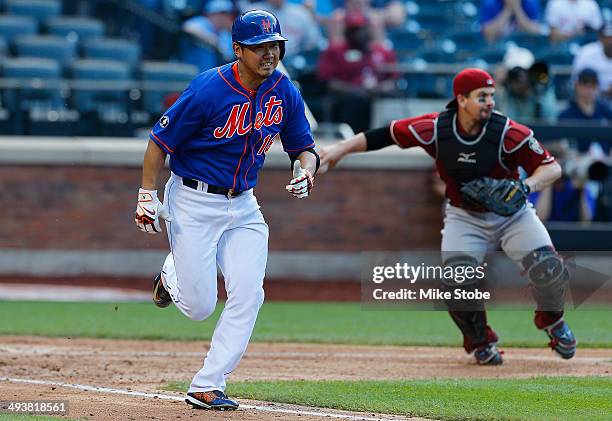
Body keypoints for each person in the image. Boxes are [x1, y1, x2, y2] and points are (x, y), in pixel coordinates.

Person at [319, 68, 577, 365]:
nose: (490, 102)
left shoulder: (506, 132)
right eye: (482, 97)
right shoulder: (437, 128)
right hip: (464, 217)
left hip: (512, 216)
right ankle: (481, 343)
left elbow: (552, 167)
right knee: (457, 284)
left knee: (550, 270)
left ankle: (552, 321)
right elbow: (386, 134)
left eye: (492, 96)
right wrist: (340, 149)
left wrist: (525, 186)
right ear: (461, 99)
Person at [134, 10, 319, 410]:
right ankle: (171, 274)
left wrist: (306, 170)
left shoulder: (284, 91)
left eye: (275, 45)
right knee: (200, 308)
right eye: (259, 47)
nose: (269, 54)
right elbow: (158, 143)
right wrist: (146, 194)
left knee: (249, 293)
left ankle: (208, 383)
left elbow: (304, 147)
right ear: (238, 49)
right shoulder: (208, 89)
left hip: (244, 206)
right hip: (193, 200)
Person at [317, 12, 397, 133]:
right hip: (348, 99)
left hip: (376, 96)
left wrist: (379, 89)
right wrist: (355, 90)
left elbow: (393, 81)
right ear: (347, 31)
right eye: (354, 30)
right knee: (356, 100)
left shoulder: (382, 52)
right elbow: (328, 82)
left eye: (361, 29)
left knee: (388, 100)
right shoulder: (335, 51)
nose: (358, 33)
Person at [180, 0, 237, 71]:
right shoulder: (203, 22)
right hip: (190, 69)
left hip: (210, 73)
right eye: (219, 14)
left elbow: (228, 57)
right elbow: (188, 27)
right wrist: (212, 40)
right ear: (209, 14)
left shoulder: (225, 34)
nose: (222, 18)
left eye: (226, 14)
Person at [572, 19, 612, 105]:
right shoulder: (586, 53)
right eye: (608, 37)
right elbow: (576, 83)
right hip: (593, 101)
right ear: (600, 38)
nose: (610, 41)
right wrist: (602, 91)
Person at [480, 0, 544, 43]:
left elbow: (536, 32)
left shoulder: (530, 3)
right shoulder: (491, 3)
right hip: (499, 46)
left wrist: (517, 8)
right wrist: (508, 9)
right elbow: (487, 33)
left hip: (524, 46)